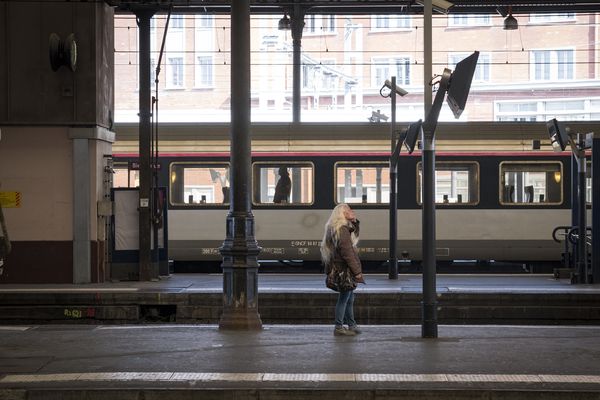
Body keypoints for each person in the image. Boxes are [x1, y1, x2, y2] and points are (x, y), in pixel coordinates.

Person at [320, 203, 365, 336]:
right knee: (344, 298)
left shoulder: (336, 228)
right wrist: (357, 272)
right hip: (343, 269)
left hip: (341, 267)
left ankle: (351, 325)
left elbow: (352, 239)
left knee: (349, 297)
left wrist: (355, 222)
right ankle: (339, 327)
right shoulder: (342, 230)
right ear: (343, 213)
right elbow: (347, 253)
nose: (352, 211)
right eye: (349, 210)